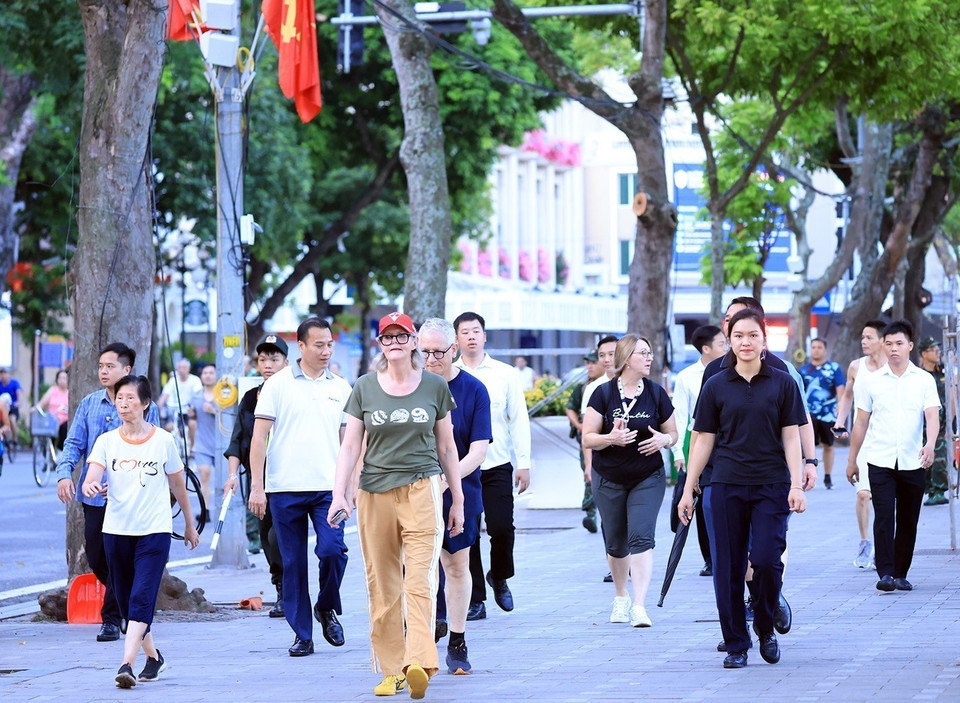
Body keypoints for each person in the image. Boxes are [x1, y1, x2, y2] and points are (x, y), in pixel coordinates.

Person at [328, 312, 465, 699]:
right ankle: (391, 670)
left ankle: (418, 662)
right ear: (380, 344)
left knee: (419, 579)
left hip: (422, 489)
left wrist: (458, 497)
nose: (394, 343)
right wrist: (341, 493)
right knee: (382, 584)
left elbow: (446, 446)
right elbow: (351, 445)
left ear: (413, 342)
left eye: (401, 336)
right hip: (374, 493)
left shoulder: (435, 386)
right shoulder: (365, 387)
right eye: (387, 338)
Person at [679, 308, 807, 669]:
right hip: (724, 485)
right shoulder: (715, 384)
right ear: (729, 339)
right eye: (738, 336)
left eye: (752, 335)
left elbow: (791, 435)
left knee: (766, 561)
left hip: (772, 484)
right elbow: (703, 438)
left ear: (764, 338)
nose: (745, 342)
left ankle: (765, 625)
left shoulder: (782, 382)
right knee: (728, 568)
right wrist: (689, 488)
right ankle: (736, 642)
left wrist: (797, 483)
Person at [82, 375, 199, 687]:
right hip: (116, 530)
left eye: (131, 398)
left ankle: (126, 664)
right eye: (120, 398)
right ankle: (154, 657)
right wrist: (91, 483)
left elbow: (178, 485)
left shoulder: (163, 440)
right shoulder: (107, 441)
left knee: (142, 596)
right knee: (125, 599)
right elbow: (92, 474)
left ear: (146, 403)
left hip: (154, 530)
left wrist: (189, 523)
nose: (124, 404)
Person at [248, 317, 352, 657]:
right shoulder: (277, 385)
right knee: (292, 563)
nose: (325, 351)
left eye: (329, 344)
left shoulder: (341, 387)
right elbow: (259, 438)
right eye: (318, 345)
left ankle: (326, 606)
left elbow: (348, 441)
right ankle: (302, 634)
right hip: (284, 488)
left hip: (329, 489)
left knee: (332, 550)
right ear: (302, 346)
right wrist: (258, 487)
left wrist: (350, 487)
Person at [55, 342, 161, 642]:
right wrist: (64, 474)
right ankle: (129, 605)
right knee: (98, 555)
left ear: (127, 370)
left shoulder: (146, 407)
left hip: (131, 499)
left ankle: (113, 619)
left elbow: (153, 449)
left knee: (120, 557)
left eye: (110, 366)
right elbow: (74, 444)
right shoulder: (89, 403)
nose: (103, 371)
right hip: (94, 497)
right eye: (100, 366)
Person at [583, 334, 677, 628]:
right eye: (643, 353)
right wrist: (611, 438)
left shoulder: (656, 393)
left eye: (650, 353)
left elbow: (673, 433)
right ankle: (621, 597)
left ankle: (639, 605)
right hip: (608, 477)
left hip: (647, 476)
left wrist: (664, 440)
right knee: (616, 542)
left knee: (641, 538)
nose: (649, 358)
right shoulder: (602, 394)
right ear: (626, 359)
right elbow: (588, 438)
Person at [420, 317, 491, 676]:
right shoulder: (408, 388)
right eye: (425, 351)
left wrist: (446, 482)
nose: (431, 359)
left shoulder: (474, 390)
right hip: (413, 493)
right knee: (417, 568)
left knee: (456, 565)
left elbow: (478, 451)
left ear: (454, 349)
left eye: (438, 352)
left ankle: (458, 640)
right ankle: (419, 637)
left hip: (460, 490)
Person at [846, 320, 940, 592]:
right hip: (879, 459)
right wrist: (852, 460)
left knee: (909, 518)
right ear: (883, 346)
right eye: (888, 343)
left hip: (913, 459)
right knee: (884, 515)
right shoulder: (872, 382)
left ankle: (901, 572)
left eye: (899, 343)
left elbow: (932, 415)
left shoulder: (924, 380)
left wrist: (930, 444)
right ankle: (885, 573)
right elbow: (860, 423)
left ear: (910, 346)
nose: (894, 349)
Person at [453, 312, 531, 621]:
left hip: (497, 464)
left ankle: (499, 576)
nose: (471, 336)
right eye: (464, 332)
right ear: (456, 339)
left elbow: (519, 419)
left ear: (485, 336)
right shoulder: (448, 375)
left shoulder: (505, 373)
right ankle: (475, 599)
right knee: (467, 534)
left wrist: (523, 463)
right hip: (460, 468)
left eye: (476, 331)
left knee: (502, 529)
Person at [223, 334, 290, 617]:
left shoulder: (293, 394)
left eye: (274, 359)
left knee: (280, 536)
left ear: (287, 362)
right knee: (265, 536)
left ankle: (292, 590)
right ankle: (281, 589)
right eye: (262, 359)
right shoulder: (251, 397)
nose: (267, 364)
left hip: (289, 478)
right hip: (257, 480)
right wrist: (231, 476)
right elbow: (239, 439)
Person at [671, 325, 726, 577]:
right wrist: (679, 455)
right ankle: (710, 558)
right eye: (721, 343)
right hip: (696, 445)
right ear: (706, 349)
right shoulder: (687, 377)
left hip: (724, 448)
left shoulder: (731, 370)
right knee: (702, 503)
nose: (725, 347)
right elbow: (680, 418)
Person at [833, 319, 887, 568]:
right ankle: (865, 542)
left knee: (885, 499)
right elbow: (847, 396)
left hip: (889, 440)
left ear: (882, 340)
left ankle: (883, 546)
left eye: (869, 337)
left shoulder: (895, 366)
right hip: (863, 439)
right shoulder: (856, 367)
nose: (864, 342)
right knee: (864, 494)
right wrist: (839, 422)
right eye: (862, 337)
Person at [799, 338, 846, 490]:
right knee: (806, 448)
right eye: (813, 347)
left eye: (819, 347)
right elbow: (799, 392)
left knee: (828, 446)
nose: (816, 350)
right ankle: (806, 475)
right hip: (808, 415)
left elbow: (840, 387)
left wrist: (841, 405)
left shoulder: (833, 368)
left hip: (828, 414)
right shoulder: (803, 370)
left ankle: (827, 477)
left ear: (825, 350)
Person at [565, 349, 603, 533]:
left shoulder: (610, 385)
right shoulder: (582, 388)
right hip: (588, 441)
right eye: (588, 362)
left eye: (593, 362)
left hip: (607, 440)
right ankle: (591, 513)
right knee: (589, 474)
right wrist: (580, 427)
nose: (589, 366)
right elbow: (570, 408)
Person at [918, 337, 949, 506]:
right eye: (933, 350)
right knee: (923, 459)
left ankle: (938, 491)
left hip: (940, 423)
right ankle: (929, 490)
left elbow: (951, 394)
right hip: (920, 425)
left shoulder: (944, 372)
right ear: (924, 353)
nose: (938, 353)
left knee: (940, 458)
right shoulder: (918, 375)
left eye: (938, 349)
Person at [188, 363, 217, 519]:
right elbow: (193, 420)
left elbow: (229, 420)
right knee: (204, 475)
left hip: (220, 445)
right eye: (205, 372)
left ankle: (227, 512)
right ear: (201, 376)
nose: (208, 375)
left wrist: (214, 411)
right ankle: (205, 511)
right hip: (202, 443)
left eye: (211, 372)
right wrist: (191, 414)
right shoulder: (196, 396)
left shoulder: (223, 395)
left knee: (224, 479)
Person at [157, 358, 202, 445]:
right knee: (168, 427)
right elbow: (165, 395)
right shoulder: (173, 381)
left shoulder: (195, 380)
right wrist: (159, 405)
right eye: (180, 367)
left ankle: (192, 447)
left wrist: (193, 409)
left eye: (184, 367)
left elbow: (198, 397)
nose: (182, 370)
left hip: (189, 411)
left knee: (192, 424)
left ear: (188, 369)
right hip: (174, 411)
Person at [37, 368, 70, 449]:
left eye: (64, 378)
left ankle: (60, 450)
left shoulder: (70, 392)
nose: (62, 380)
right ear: (57, 379)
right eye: (60, 378)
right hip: (52, 419)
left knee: (65, 429)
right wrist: (36, 409)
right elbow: (41, 404)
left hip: (64, 420)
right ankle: (48, 450)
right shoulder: (52, 390)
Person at [0, 367, 23, 446]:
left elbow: (19, 394)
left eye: (5, 373)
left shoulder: (15, 383)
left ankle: (14, 439)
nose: (3, 375)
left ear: (9, 374)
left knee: (12, 420)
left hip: (12, 408)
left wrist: (18, 402)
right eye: (1, 373)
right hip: (2, 409)